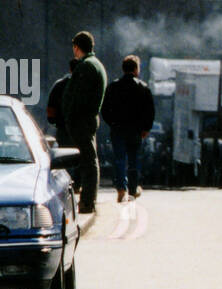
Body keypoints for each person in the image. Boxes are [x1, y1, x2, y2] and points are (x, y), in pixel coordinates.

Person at [61, 31, 107, 214]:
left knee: (88, 162)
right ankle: (87, 200)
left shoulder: (86, 67)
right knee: (89, 160)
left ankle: (87, 201)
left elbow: (78, 96)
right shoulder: (95, 65)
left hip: (81, 120)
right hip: (87, 119)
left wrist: (70, 116)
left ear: (77, 47)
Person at [101, 55, 155, 201]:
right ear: (136, 69)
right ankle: (132, 189)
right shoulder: (143, 88)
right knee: (133, 159)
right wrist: (146, 128)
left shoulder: (113, 86)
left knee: (119, 159)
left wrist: (112, 123)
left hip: (118, 129)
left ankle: (120, 188)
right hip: (135, 130)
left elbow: (104, 109)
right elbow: (150, 111)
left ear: (123, 69)